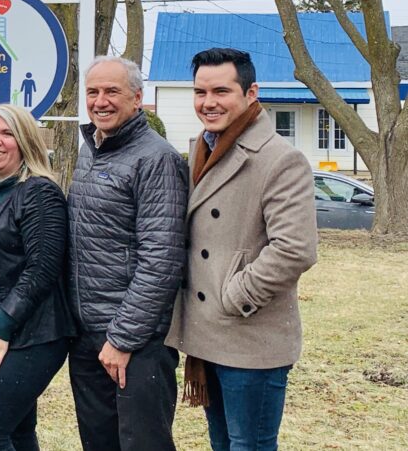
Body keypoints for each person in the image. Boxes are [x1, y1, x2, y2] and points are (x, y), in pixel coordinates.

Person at [167, 48, 318, 451]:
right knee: (223, 443)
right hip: (206, 333)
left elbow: (295, 249)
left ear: (251, 92)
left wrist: (234, 295)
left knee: (248, 445)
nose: (208, 102)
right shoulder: (201, 147)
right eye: (200, 92)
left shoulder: (280, 160)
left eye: (221, 90)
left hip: (251, 337)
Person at [67, 56, 189, 451]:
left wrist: (122, 339)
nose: (100, 101)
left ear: (137, 99)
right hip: (88, 337)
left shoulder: (157, 159)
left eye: (112, 92)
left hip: (134, 345)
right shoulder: (92, 151)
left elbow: (162, 260)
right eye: (93, 92)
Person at [0, 104, 73, 451]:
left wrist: (3, 327)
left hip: (30, 332)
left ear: (24, 141)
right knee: (17, 431)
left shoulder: (39, 192)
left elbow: (42, 269)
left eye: (7, 133)